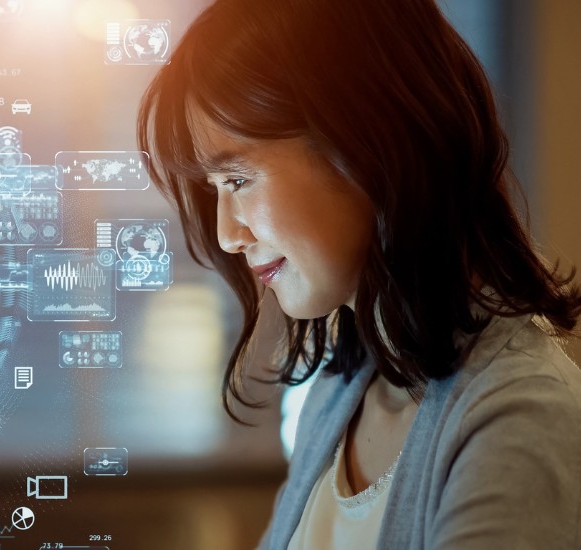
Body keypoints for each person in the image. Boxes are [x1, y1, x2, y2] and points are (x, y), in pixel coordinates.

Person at [137, 0, 581, 548]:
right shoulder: (343, 388)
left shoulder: (518, 419)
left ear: (361, 141)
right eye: (214, 190)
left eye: (238, 178)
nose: (229, 234)